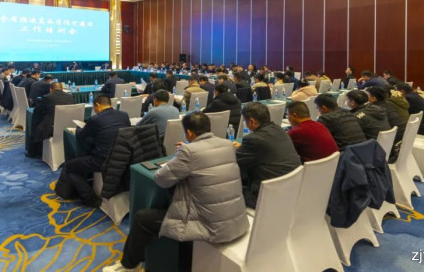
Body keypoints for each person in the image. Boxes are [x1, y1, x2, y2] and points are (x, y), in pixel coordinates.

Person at [104, 112, 249, 272]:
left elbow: (161, 179)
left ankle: (129, 265)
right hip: (236, 220)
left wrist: (182, 153)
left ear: (189, 133)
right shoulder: (227, 144)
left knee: (141, 218)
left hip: (210, 225)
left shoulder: (189, 152)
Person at [55, 95, 131, 207]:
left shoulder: (95, 119)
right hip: (124, 157)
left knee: (69, 167)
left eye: (94, 108)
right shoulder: (124, 115)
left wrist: (78, 129)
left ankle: (90, 198)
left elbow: (82, 135)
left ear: (98, 105)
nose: (95, 110)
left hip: (103, 160)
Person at [235, 102, 302, 208]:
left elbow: (235, 164)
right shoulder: (280, 130)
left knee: (230, 187)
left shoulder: (254, 139)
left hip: (267, 198)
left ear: (252, 121)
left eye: (245, 121)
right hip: (292, 190)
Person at [31, 82, 75, 155]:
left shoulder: (47, 97)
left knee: (37, 123)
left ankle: (35, 151)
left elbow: (37, 111)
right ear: (62, 89)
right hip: (69, 127)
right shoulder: (70, 96)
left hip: (51, 128)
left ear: (50, 89)